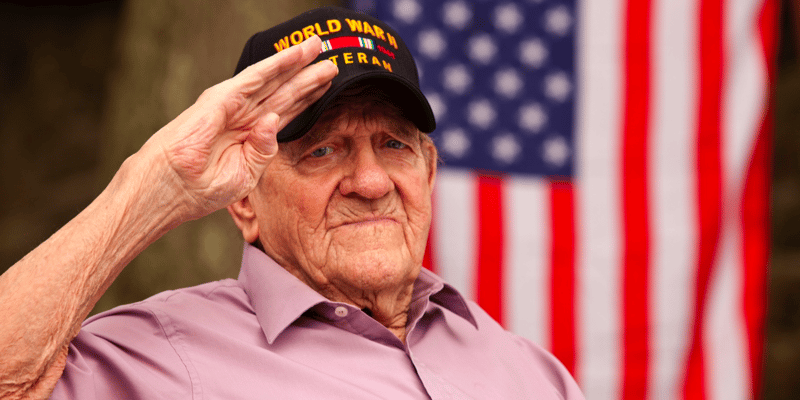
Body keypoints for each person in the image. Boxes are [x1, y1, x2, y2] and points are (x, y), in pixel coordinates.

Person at [0, 7, 584, 399]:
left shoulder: (532, 373)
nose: (371, 181)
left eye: (394, 145)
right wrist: (157, 185)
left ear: (428, 174)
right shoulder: (161, 356)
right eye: (323, 150)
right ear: (244, 199)